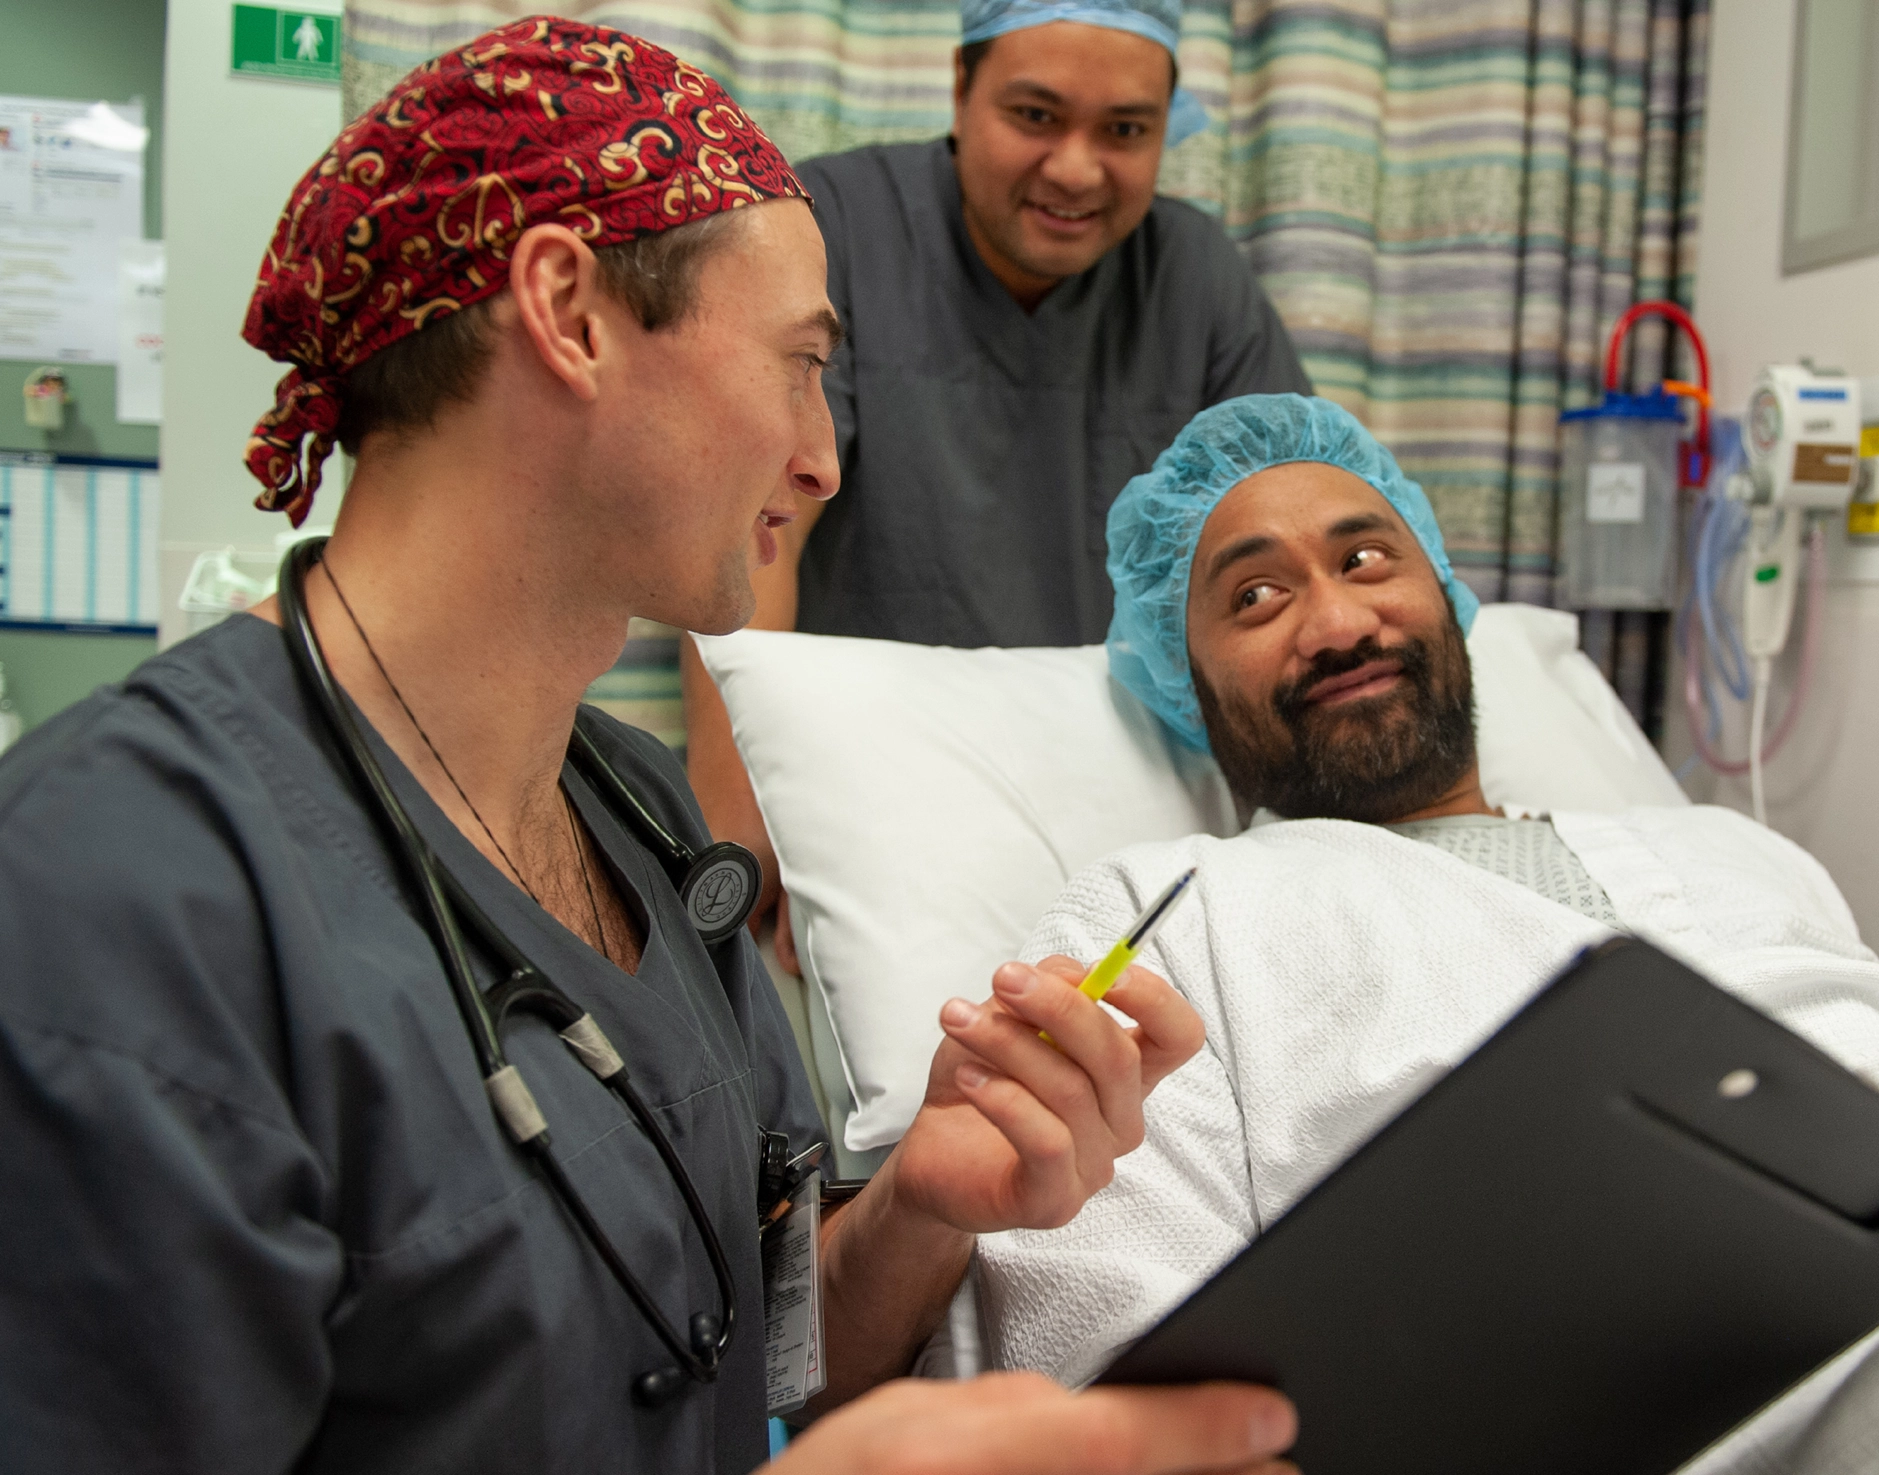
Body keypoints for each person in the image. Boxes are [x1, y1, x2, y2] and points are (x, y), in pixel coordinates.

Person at [0, 24, 1295, 1475]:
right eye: (800, 364)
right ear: (571, 310)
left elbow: (764, 1350)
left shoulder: (644, 820)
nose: (824, 457)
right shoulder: (113, 891)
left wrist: (928, 1201)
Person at [971, 395, 1879, 1467]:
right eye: (1259, 593)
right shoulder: (1182, 905)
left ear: (1451, 604)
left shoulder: (1727, 846)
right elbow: (1091, 1311)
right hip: (1695, 1344)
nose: (1338, 616)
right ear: (1189, 680)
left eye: (1369, 557)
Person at [681, 0, 1312, 966]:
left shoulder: (1193, 280)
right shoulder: (835, 229)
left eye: (1126, 131)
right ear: (960, 91)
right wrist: (745, 828)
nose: (1075, 167)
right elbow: (758, 522)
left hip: (1134, 801)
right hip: (869, 795)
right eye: (1034, 115)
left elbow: (1297, 542)